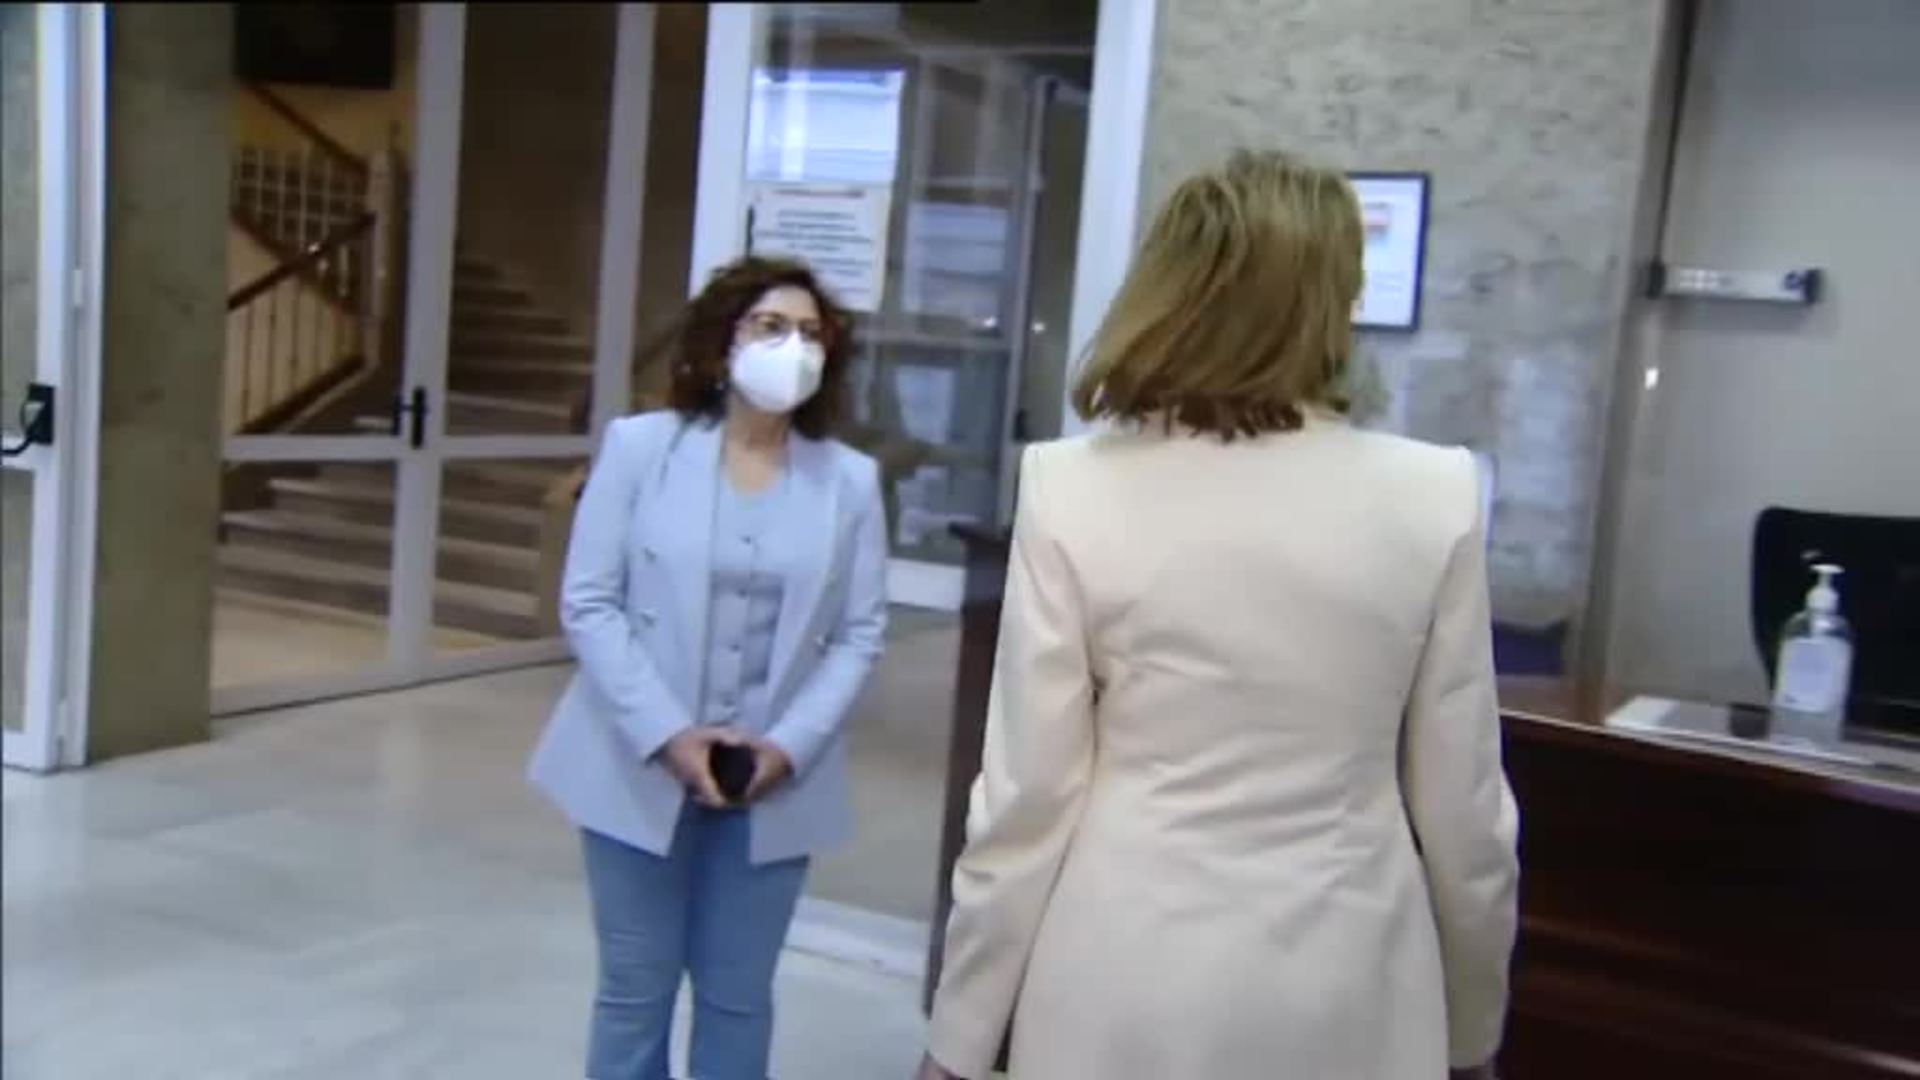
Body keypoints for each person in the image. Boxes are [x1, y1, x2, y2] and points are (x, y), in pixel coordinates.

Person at [918, 151, 1520, 1080]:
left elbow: (1026, 799)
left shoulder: (1072, 487)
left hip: (1124, 965)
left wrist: (959, 1038)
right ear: (1331, 301)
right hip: (1351, 972)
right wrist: (1473, 1025)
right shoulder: (1435, 493)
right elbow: (1466, 812)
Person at [528, 257, 889, 1080]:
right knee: (635, 991)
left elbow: (862, 632)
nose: (793, 347)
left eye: (811, 334)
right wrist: (667, 735)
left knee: (738, 996)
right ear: (723, 344)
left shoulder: (850, 482)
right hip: (635, 759)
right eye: (771, 327)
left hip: (775, 777)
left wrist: (789, 746)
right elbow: (589, 602)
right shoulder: (640, 449)